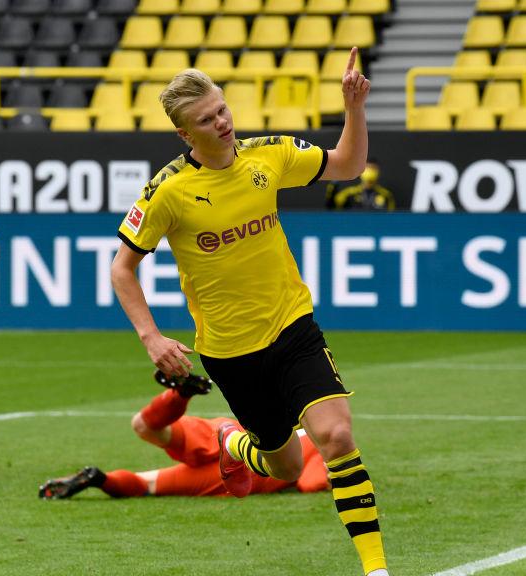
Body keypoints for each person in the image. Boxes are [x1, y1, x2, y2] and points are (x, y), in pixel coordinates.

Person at [110, 47, 388, 576]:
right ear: (185, 135)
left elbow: (348, 165)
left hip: (293, 327)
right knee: (285, 469)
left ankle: (376, 569)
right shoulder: (168, 191)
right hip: (231, 353)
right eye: (206, 120)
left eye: (222, 109)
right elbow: (122, 269)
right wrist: (152, 337)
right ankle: (233, 442)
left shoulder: (269, 155)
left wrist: (354, 108)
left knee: (337, 437)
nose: (222, 122)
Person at [38, 371, 329, 500]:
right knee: (148, 485)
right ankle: (101, 479)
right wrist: (333, 476)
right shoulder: (322, 447)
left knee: (143, 426)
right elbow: (310, 483)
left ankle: (179, 395)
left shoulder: (300, 431)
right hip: (238, 472)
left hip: (226, 432)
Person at [328, 159, 395, 211]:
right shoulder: (349, 195)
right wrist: (333, 185)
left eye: (373, 168)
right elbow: (332, 207)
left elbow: (391, 218)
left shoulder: (386, 196)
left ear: (378, 172)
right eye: (367, 168)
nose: (370, 171)